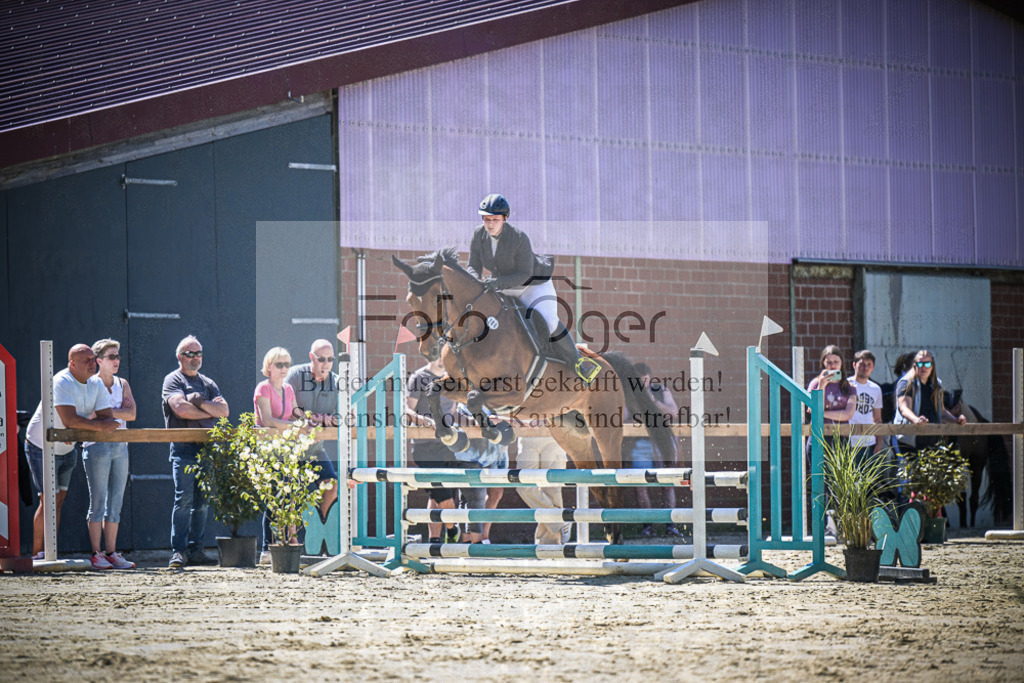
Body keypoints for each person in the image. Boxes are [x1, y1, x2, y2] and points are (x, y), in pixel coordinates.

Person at [467, 193, 600, 384]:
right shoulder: (478, 235)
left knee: (549, 321)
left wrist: (496, 283)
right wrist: (474, 283)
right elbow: (473, 265)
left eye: (495, 219)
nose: (490, 224)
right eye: (486, 219)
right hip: (503, 284)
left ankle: (578, 362)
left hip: (532, 284)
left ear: (505, 218)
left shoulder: (519, 238)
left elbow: (524, 274)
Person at [24, 344, 119, 561]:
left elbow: (108, 418)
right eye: (86, 360)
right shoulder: (62, 381)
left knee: (57, 501)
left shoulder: (96, 383)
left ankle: (49, 552)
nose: (92, 364)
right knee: (47, 501)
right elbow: (70, 420)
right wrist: (94, 426)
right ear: (72, 365)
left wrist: (89, 426)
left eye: (93, 359)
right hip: (41, 445)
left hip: (67, 448)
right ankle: (37, 555)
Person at [162, 335, 229, 569]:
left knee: (202, 503)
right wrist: (207, 411)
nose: (195, 358)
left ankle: (196, 550)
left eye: (199, 353)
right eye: (190, 354)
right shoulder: (172, 380)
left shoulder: (208, 383)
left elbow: (224, 410)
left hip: (207, 450)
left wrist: (198, 402)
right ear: (180, 357)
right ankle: (178, 552)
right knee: (183, 500)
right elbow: (180, 410)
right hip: (183, 449)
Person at [81, 339, 137, 569]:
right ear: (99, 361)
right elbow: (88, 415)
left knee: (116, 501)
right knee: (98, 501)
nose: (116, 361)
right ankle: (96, 553)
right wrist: (116, 413)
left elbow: (132, 414)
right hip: (96, 445)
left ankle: (112, 552)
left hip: (120, 445)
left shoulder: (122, 383)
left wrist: (107, 413)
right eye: (111, 357)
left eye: (118, 356)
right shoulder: (89, 384)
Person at [284, 340, 340, 528]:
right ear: (311, 357)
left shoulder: (337, 381)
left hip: (315, 450)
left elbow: (345, 418)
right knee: (286, 495)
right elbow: (284, 409)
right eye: (321, 359)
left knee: (331, 486)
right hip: (288, 450)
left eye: (330, 359)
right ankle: (272, 545)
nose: (326, 364)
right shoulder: (294, 376)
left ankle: (319, 527)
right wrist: (320, 418)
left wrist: (317, 418)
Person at [405, 357, 461, 543]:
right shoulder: (419, 377)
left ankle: (435, 539)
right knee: (444, 497)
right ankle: (453, 531)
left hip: (447, 445)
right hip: (425, 447)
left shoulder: (452, 377)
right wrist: (426, 422)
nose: (442, 359)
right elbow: (407, 410)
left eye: (446, 354)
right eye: (438, 353)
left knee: (437, 495)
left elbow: (453, 412)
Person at [254, 347, 301, 561]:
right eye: (279, 365)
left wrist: (305, 421)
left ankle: (289, 541)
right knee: (273, 497)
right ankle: (266, 546)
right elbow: (267, 421)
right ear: (269, 367)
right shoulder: (263, 388)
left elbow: (295, 413)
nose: (284, 369)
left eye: (287, 365)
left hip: (286, 448)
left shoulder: (289, 389)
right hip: (267, 449)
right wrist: (295, 427)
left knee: (290, 496)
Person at [629, 362, 682, 539]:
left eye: (645, 380)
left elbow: (673, 412)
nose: (643, 383)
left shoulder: (661, 390)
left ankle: (670, 525)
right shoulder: (629, 394)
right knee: (640, 485)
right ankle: (648, 525)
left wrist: (652, 401)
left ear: (649, 378)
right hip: (641, 444)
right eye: (639, 380)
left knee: (667, 485)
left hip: (663, 443)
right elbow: (621, 419)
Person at [894, 349, 966, 458]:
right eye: (920, 363)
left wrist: (956, 420)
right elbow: (904, 408)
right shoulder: (906, 383)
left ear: (932, 366)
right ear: (915, 365)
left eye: (927, 363)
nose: (924, 367)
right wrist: (916, 420)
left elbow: (941, 412)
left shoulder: (936, 385)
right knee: (912, 474)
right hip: (910, 440)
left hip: (932, 439)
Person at [515, 430, 571, 544]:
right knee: (522, 484)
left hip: (554, 436)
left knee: (552, 490)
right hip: (527, 436)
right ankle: (559, 520)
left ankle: (549, 544)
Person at [847, 350, 884, 462]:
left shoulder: (876, 389)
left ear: (873, 367)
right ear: (854, 365)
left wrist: (879, 442)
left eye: (869, 365)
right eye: (862, 364)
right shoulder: (846, 385)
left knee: (869, 479)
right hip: (849, 442)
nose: (865, 367)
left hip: (869, 443)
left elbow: (877, 418)